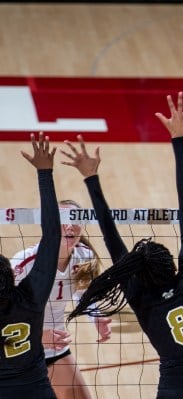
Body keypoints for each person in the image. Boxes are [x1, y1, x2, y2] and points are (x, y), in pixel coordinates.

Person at [62, 92, 183, 399]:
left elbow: (111, 240)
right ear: (173, 263)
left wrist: (91, 179)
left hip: (172, 390)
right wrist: (179, 140)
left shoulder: (140, 296)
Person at [11, 199, 110, 399]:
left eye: (75, 219)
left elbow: (83, 292)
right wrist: (37, 336)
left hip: (54, 349)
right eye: (63, 219)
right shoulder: (23, 263)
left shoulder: (85, 256)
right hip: (16, 351)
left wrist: (95, 316)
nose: (70, 225)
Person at [0, 132, 61, 398]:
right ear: (12, 275)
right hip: (36, 390)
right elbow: (53, 236)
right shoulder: (31, 298)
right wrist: (45, 174)